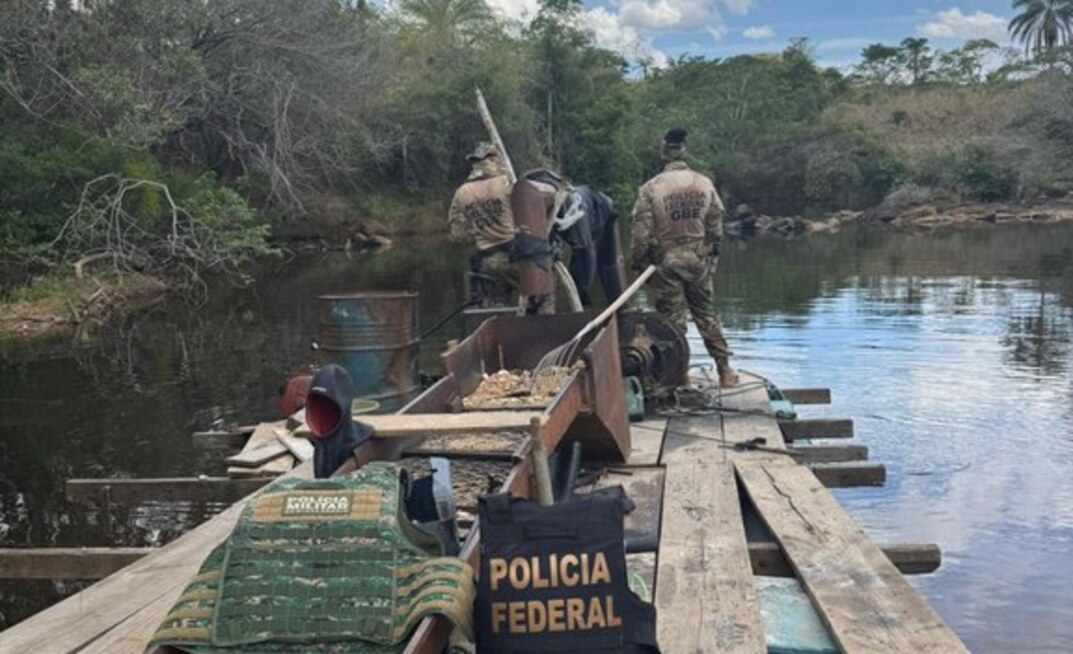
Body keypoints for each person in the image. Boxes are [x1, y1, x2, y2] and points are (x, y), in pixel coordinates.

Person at [630, 128, 738, 386]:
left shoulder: (651, 188)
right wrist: (710, 254)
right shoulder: (704, 183)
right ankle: (725, 371)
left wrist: (639, 261)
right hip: (698, 258)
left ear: (663, 154)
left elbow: (641, 233)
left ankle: (679, 375)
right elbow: (715, 226)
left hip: (667, 261)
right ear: (684, 151)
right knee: (706, 314)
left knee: (672, 321)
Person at [448, 142, 518, 308]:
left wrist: (480, 230)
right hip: (518, 259)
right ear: (494, 159)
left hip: (486, 262)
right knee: (540, 301)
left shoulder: (462, 192)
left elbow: (457, 235)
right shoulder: (507, 183)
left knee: (494, 311)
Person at [552, 185, 626, 308]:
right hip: (584, 205)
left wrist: (582, 291)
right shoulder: (550, 210)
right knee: (578, 259)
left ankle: (616, 306)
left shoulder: (579, 214)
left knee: (603, 261)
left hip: (602, 212)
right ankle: (579, 298)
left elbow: (588, 252)